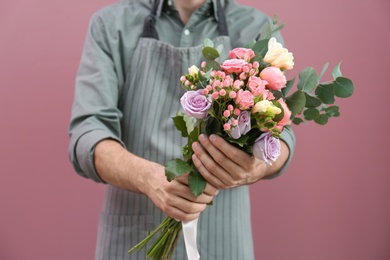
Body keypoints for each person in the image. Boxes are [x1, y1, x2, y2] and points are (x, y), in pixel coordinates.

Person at [68, 0, 295, 259]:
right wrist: (149, 179)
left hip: (223, 240)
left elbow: (282, 130)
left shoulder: (257, 29)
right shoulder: (110, 25)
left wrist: (256, 167)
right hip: (135, 236)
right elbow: (88, 134)